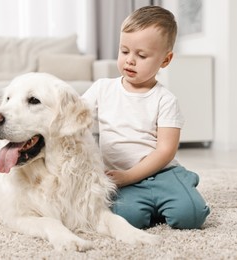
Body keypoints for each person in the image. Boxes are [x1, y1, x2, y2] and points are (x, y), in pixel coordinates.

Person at [82, 5, 210, 229]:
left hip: (163, 174)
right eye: (124, 51)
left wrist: (130, 175)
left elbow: (165, 150)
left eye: (141, 55)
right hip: (120, 177)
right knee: (128, 219)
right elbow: (76, 115)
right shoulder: (102, 89)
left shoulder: (165, 100)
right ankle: (153, 205)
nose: (130, 60)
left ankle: (183, 182)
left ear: (165, 60)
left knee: (191, 217)